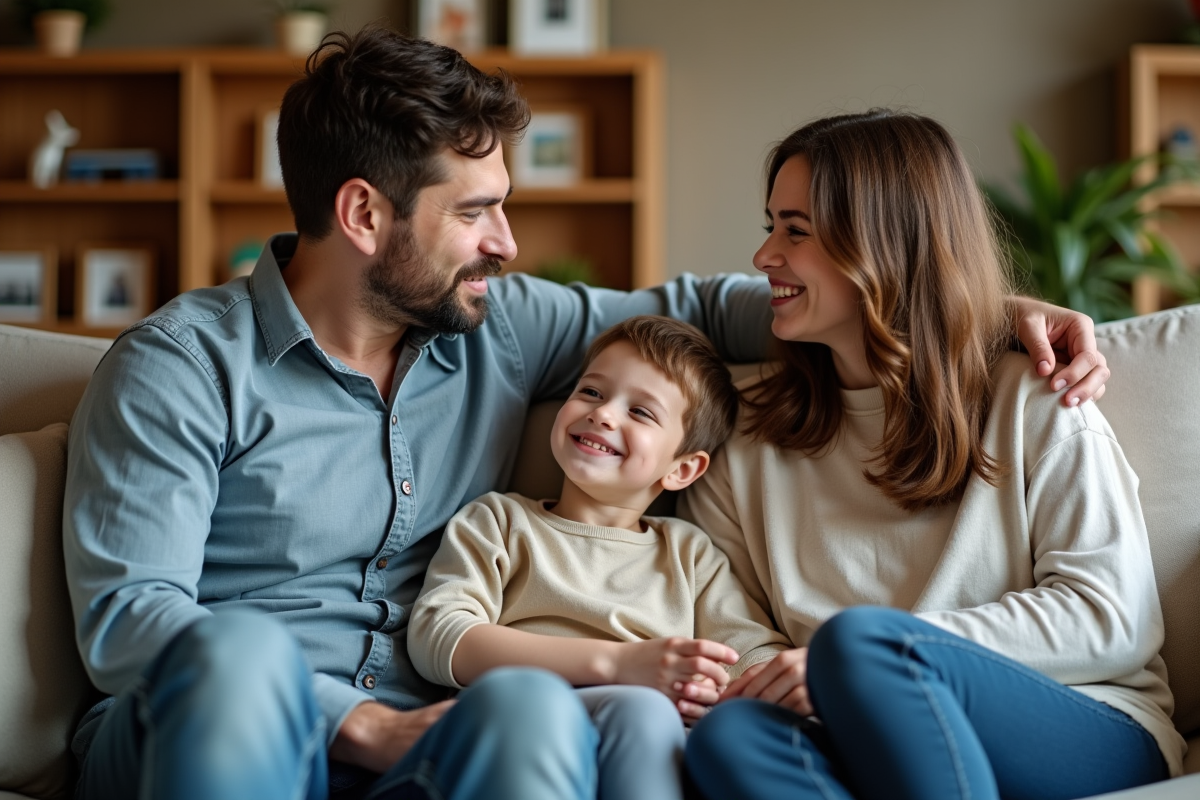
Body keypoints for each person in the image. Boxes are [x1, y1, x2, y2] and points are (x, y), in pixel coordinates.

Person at [60, 24, 1107, 800]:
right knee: (240, 655)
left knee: (525, 706)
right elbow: (128, 622)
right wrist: (367, 721)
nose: (507, 242)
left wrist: (976, 306)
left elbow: (704, 310)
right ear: (364, 214)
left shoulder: (499, 325)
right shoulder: (179, 367)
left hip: (437, 725)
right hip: (219, 728)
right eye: (476, 212)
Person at [679, 109, 1183, 800]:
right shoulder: (746, 433)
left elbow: (1109, 616)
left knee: (859, 646)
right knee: (730, 735)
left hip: (1081, 722)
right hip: (851, 725)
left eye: (795, 231)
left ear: (884, 245)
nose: (765, 256)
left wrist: (866, 658)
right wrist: (799, 676)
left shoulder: (1037, 396)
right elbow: (733, 621)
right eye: (771, 225)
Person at [408, 315, 791, 800]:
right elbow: (439, 636)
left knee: (645, 713)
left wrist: (728, 686)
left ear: (683, 469)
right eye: (591, 392)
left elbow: (751, 653)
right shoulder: (499, 522)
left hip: (646, 730)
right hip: (519, 723)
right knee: (635, 709)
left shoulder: (689, 554)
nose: (604, 414)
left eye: (642, 413)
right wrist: (619, 663)